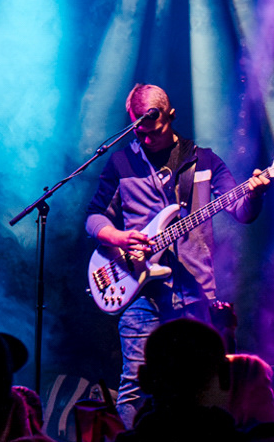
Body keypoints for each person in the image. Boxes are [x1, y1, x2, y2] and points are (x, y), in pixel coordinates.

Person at [87, 83, 230, 421]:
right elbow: (94, 217)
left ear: (171, 116)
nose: (147, 139)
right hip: (140, 293)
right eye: (140, 132)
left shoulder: (204, 160)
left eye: (155, 130)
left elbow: (241, 209)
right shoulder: (121, 162)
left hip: (195, 292)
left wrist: (254, 192)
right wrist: (118, 237)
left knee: (199, 386)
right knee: (135, 385)